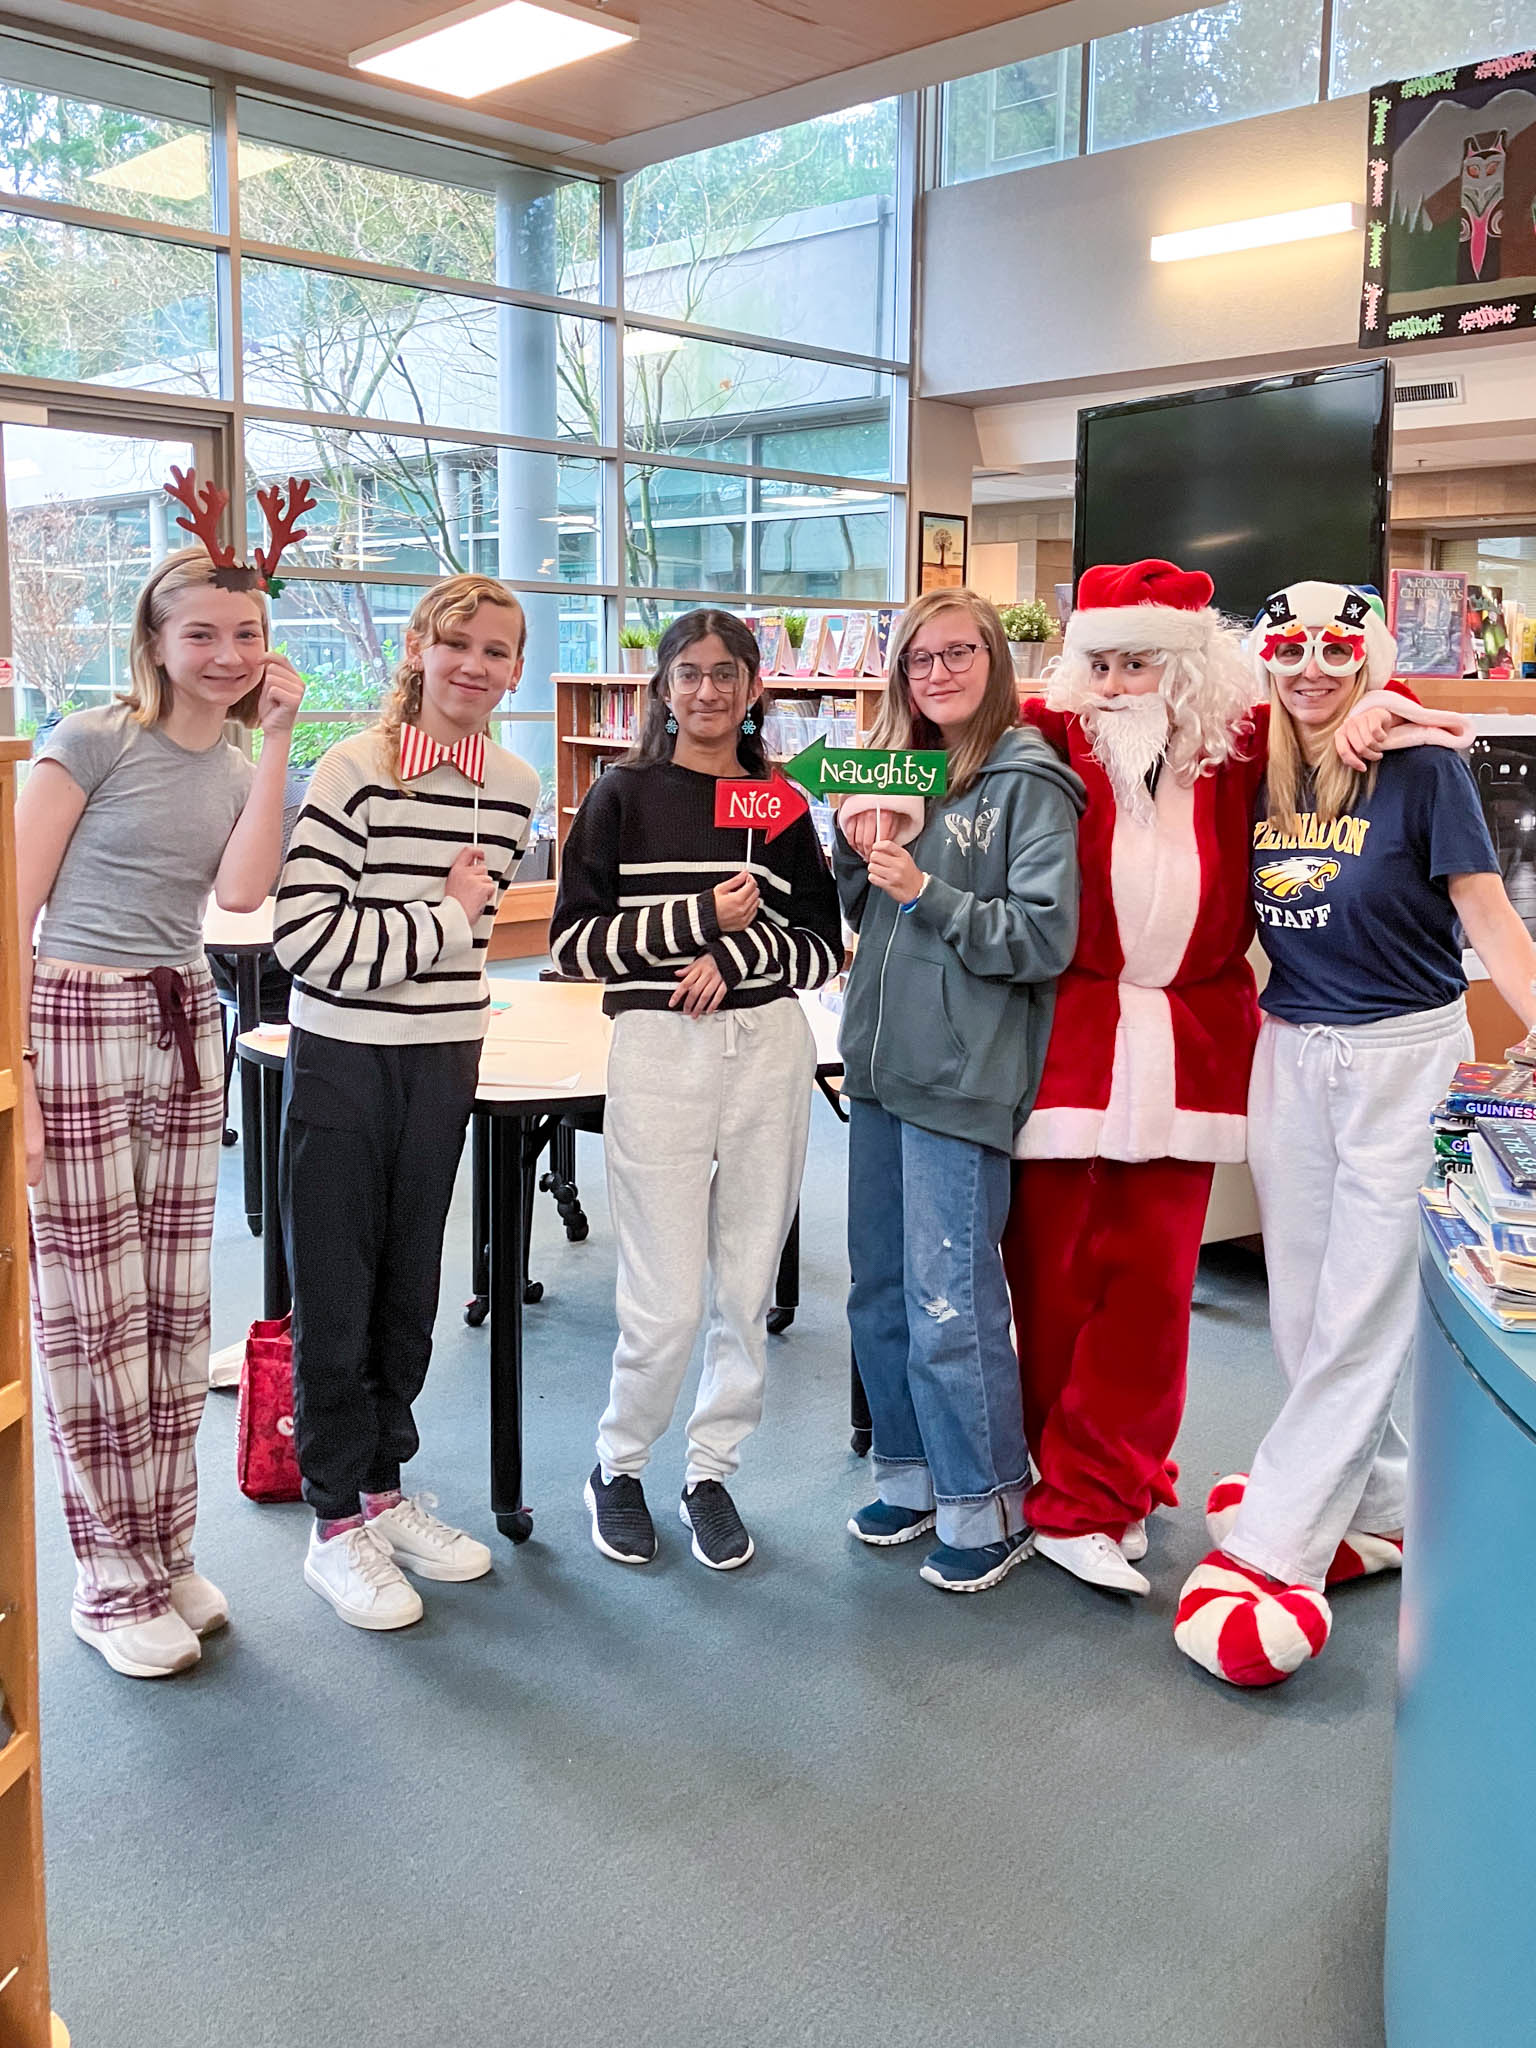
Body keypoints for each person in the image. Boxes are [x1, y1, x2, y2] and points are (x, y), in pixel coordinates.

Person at [996, 562, 1472, 1597]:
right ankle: (1062, 1481)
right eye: (1105, 662)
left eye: (1144, 661)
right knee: (1053, 1272)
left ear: (1191, 668)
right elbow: (950, 703)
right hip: (1071, 1042)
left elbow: (1332, 701)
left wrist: (1386, 699)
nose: (1122, 682)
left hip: (1194, 1045)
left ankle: (1110, 1481)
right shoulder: (1046, 730)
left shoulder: (1237, 739)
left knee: (1156, 1289)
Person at [1175, 579, 1536, 1687]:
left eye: (1339, 651)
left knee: (1366, 1307)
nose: (1314, 670)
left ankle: (1275, 1545)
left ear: (1369, 656)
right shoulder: (1256, 769)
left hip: (1399, 1059)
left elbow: (1486, 912)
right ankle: (1375, 1494)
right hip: (1291, 1048)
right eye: (1290, 650)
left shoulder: (1421, 768)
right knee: (1304, 1300)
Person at [17, 538, 304, 1679]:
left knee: (176, 1309)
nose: (227, 654)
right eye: (202, 632)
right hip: (74, 1012)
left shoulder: (240, 764)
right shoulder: (91, 740)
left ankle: (163, 1544)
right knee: (93, 1312)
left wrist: (279, 737)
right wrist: (18, 1086)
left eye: (246, 632)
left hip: (184, 1009)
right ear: (153, 640)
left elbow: (240, 892)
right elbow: (8, 907)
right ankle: (108, 1577)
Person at [550, 608, 841, 1572]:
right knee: (665, 1296)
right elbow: (571, 946)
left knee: (746, 1282)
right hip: (659, 1047)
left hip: (767, 1046)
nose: (708, 691)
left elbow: (816, 945)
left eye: (727, 674)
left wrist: (739, 947)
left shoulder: (782, 802)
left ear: (756, 688)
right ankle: (619, 1464)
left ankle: (710, 1469)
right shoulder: (621, 794)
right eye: (690, 673)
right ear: (663, 687)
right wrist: (694, 923)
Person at [274, 575, 539, 1632]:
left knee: (409, 1285)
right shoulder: (354, 768)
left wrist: (439, 931)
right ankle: (333, 1517)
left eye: (499, 650)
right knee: (335, 1281)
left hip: (445, 1053)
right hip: (343, 1054)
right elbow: (309, 945)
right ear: (421, 649)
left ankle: (384, 1483)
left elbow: (457, 957)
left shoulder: (515, 785)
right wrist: (441, 913)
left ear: (519, 668)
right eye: (458, 643)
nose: (476, 665)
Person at [834, 588, 1084, 1594]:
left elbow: (1041, 937)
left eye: (957, 653)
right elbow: (868, 911)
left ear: (994, 659)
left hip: (963, 1073)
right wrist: (856, 852)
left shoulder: (1029, 781)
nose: (936, 673)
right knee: (879, 1286)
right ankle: (911, 1472)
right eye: (918, 658)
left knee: (952, 1298)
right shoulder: (903, 769)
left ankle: (986, 1497)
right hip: (882, 1066)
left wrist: (920, 889)